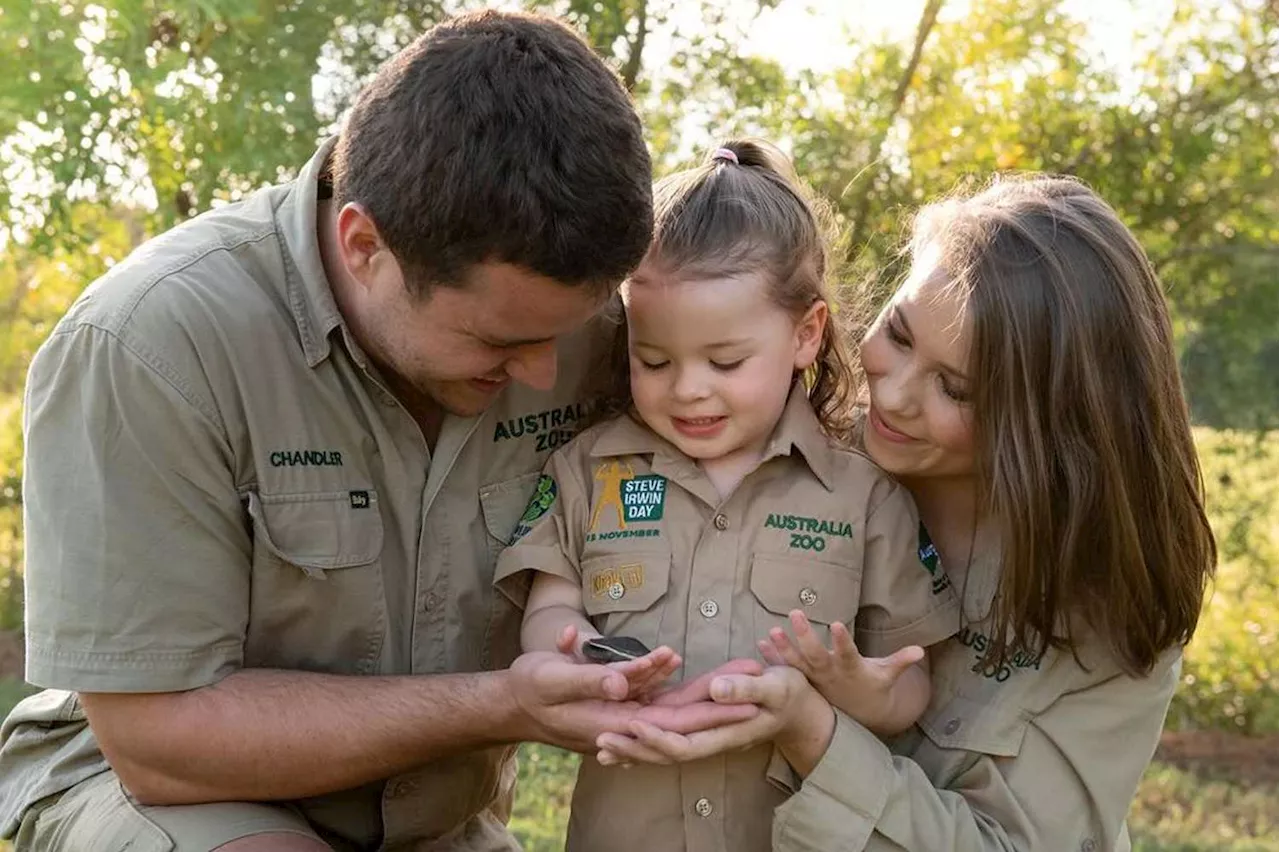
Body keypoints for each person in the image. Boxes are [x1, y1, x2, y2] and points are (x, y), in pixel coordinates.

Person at [0, 11, 757, 852]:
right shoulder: (149, 346)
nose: (548, 372)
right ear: (365, 245)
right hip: (154, 795)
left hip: (438, 822)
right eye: (501, 343)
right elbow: (156, 745)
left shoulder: (582, 319)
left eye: (568, 333)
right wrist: (502, 704)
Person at [594, 174, 1217, 851]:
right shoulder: (785, 459)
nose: (892, 396)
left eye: (955, 389)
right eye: (898, 332)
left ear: (1047, 425)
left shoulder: (1111, 604)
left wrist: (814, 734)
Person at [494, 140, 960, 852]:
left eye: (725, 361)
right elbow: (551, 608)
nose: (687, 388)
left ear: (806, 333)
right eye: (653, 360)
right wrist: (581, 654)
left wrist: (854, 685)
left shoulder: (862, 494)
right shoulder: (588, 470)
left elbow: (908, 687)